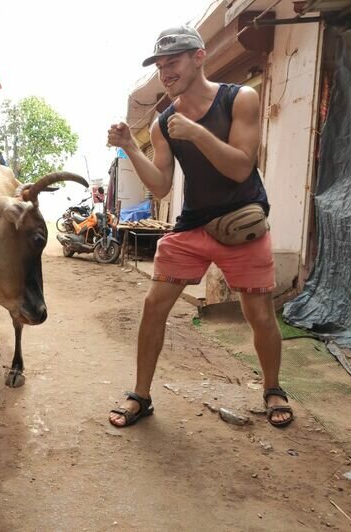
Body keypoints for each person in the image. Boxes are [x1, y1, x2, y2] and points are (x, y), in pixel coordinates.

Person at [107, 26, 293, 428]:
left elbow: (242, 166)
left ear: (199, 57)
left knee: (258, 314)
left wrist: (197, 133)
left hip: (241, 221)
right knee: (153, 306)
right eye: (159, 66)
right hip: (192, 227)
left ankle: (273, 388)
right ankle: (141, 395)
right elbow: (158, 184)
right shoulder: (163, 124)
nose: (165, 72)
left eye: (172, 62)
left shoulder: (240, 98)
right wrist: (129, 148)